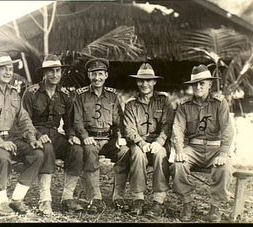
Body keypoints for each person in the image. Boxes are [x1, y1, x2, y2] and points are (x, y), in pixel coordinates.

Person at [0, 52, 43, 216]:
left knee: (37, 154)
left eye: (10, 68)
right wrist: (0, 142)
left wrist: (31, 138)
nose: (7, 72)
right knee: (3, 157)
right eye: (2, 68)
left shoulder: (13, 93)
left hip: (9, 139)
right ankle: (1, 202)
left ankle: (17, 199)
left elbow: (24, 119)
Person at [171, 64, 234, 222]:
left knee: (224, 167)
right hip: (193, 148)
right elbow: (177, 129)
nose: (198, 87)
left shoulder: (220, 103)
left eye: (202, 83)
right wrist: (179, 150)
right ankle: (187, 203)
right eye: (195, 84)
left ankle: (215, 207)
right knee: (178, 165)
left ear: (210, 84)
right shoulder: (184, 105)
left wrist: (223, 153)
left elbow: (227, 129)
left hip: (215, 148)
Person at [22, 54, 84, 215]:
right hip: (36, 135)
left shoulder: (65, 95)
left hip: (55, 135)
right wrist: (36, 134)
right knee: (47, 148)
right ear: (44, 73)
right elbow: (24, 121)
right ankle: (45, 200)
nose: (55, 74)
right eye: (51, 71)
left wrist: (71, 135)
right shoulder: (31, 93)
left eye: (57, 70)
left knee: (77, 150)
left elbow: (69, 122)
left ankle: (67, 197)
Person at [73, 58, 130, 214]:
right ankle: (95, 198)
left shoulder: (113, 96)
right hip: (89, 138)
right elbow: (77, 121)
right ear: (88, 76)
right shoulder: (80, 95)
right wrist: (85, 136)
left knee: (124, 152)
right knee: (90, 154)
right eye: (93, 74)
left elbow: (119, 121)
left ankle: (118, 196)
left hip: (108, 139)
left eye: (100, 74)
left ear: (106, 75)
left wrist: (118, 136)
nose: (97, 78)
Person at [122, 63, 174, 217]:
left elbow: (168, 124)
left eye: (148, 80)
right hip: (140, 143)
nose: (144, 84)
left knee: (161, 155)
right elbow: (129, 128)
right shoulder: (131, 104)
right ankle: (138, 198)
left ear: (154, 82)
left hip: (159, 143)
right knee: (137, 154)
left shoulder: (164, 101)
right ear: (137, 82)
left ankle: (158, 201)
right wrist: (141, 142)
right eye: (141, 81)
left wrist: (159, 142)